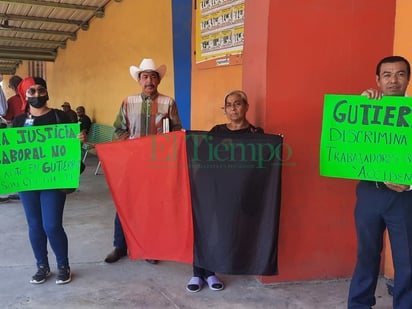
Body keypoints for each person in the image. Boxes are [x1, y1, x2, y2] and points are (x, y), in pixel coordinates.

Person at [347, 56, 412, 308]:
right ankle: (359, 304)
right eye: (387, 75)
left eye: (400, 74)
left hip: (404, 197)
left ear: (408, 79)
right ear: (378, 80)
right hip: (369, 193)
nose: (393, 80)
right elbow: (347, 146)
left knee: (406, 259)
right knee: (366, 255)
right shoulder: (365, 108)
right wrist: (359, 107)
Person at [105, 58, 182, 264]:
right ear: (139, 80)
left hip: (158, 164)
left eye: (153, 77)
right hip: (133, 163)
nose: (149, 81)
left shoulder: (169, 102)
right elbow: (118, 129)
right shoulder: (127, 102)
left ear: (158, 80)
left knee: (152, 205)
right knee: (125, 202)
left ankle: (150, 248)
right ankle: (120, 245)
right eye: (145, 77)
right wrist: (130, 146)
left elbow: (175, 130)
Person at [186, 90, 264, 293]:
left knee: (225, 232)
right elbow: (202, 157)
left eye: (237, 104)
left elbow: (263, 165)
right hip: (213, 191)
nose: (233, 108)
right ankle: (199, 273)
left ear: (246, 107)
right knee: (205, 229)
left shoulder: (257, 134)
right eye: (228, 105)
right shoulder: (217, 131)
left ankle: (214, 271)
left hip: (240, 194)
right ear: (225, 110)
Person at [12, 77, 84, 285]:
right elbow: (13, 152)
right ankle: (42, 266)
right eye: (31, 92)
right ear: (24, 96)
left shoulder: (60, 117)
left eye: (41, 90)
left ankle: (63, 265)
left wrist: (78, 140)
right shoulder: (18, 121)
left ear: (47, 92)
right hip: (28, 182)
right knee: (34, 225)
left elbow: (71, 149)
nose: (37, 95)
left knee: (52, 225)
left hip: (54, 180)